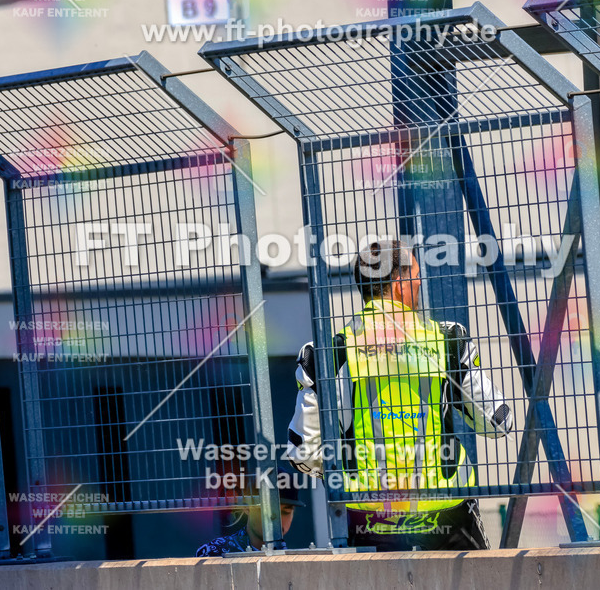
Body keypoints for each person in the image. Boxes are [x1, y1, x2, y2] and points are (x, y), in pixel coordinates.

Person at [287, 239, 514, 551]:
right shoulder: (448, 341)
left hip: (366, 520)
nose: (420, 283)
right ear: (400, 283)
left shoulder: (328, 354)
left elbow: (304, 455)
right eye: (417, 275)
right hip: (448, 517)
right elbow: (498, 423)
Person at [195, 472, 305, 557]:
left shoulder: (298, 557)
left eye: (286, 512)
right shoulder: (216, 552)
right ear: (246, 507)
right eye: (268, 510)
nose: (277, 518)